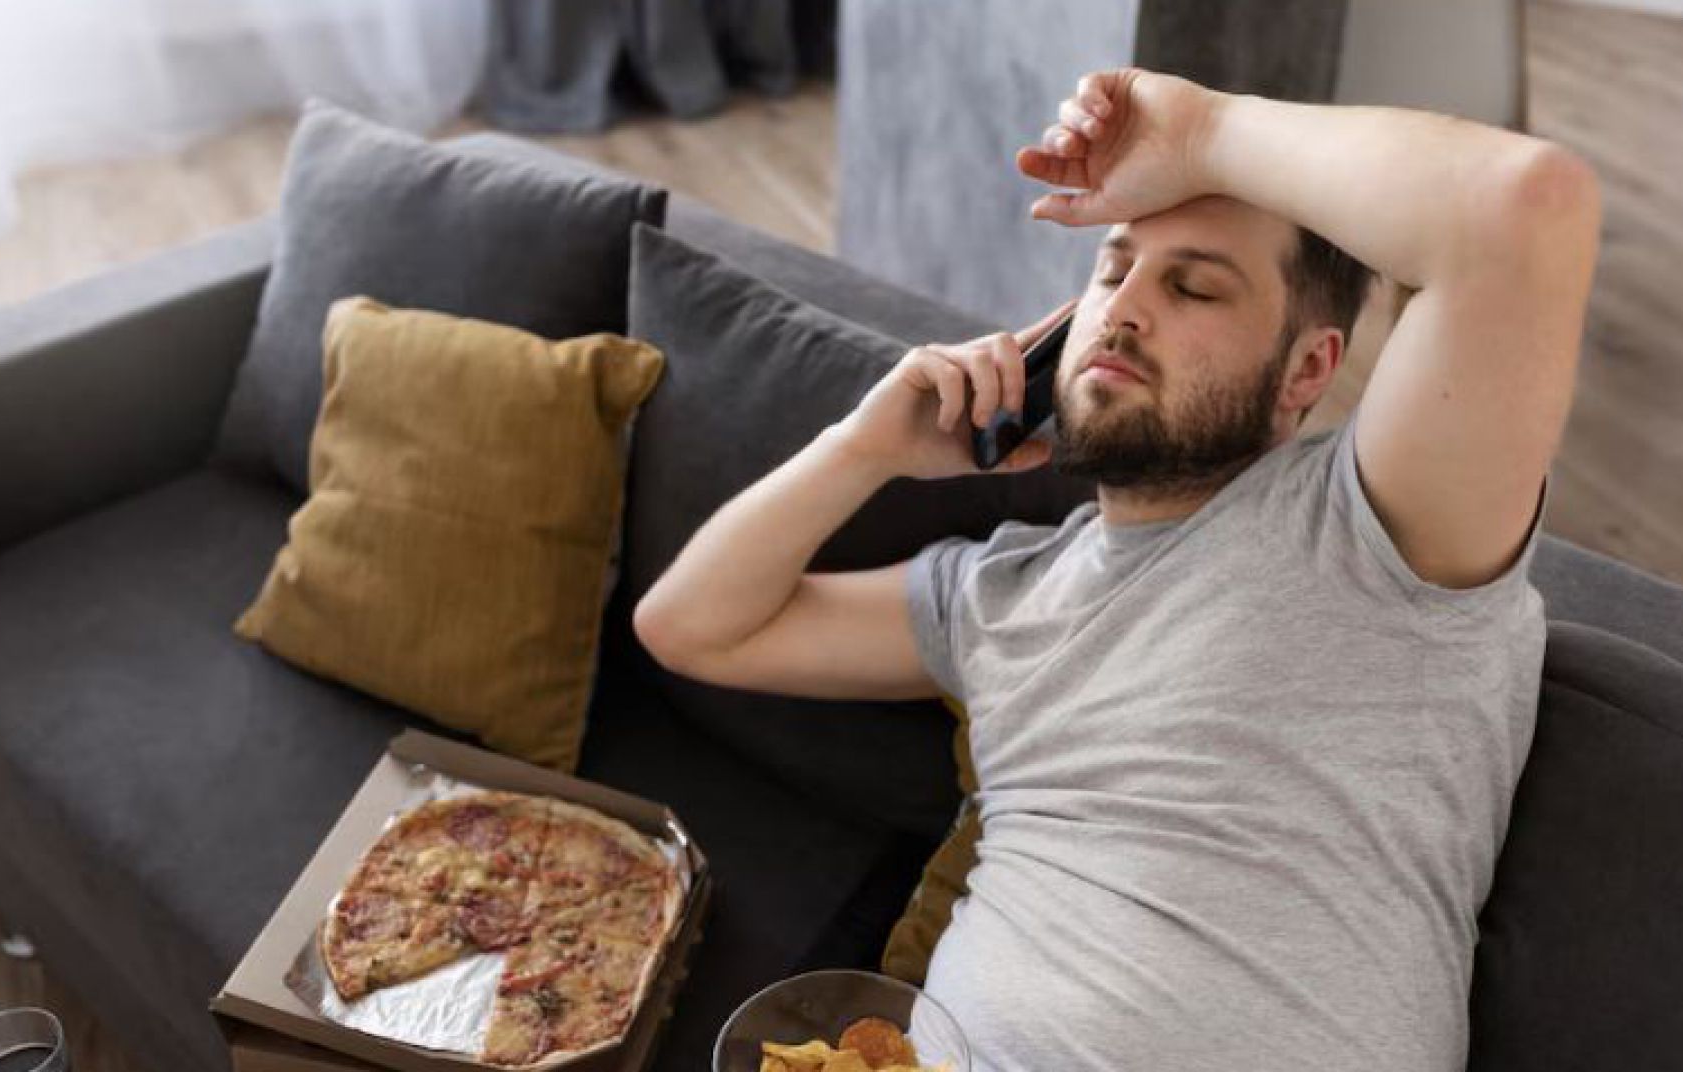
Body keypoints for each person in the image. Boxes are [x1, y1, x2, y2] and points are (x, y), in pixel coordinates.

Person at [631, 66, 1600, 1072]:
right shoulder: (996, 595)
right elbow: (692, 625)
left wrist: (1202, 131)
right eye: (1111, 270)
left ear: (1306, 372)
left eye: (1191, 284)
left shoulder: (1377, 528)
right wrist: (862, 449)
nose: (1124, 307)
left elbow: (1526, 208)